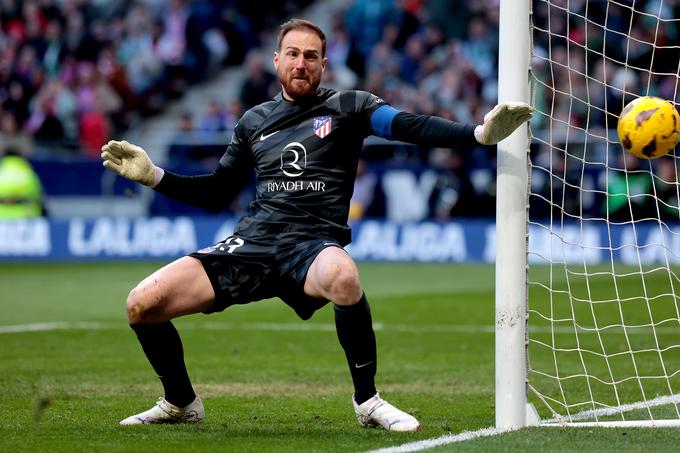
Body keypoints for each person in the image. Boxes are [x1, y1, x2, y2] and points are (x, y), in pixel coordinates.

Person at [101, 18, 532, 431]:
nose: (301, 63)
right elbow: (217, 192)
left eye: (311, 56)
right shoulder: (253, 122)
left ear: (324, 64)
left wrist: (476, 136)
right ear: (276, 60)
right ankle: (181, 402)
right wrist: (154, 175)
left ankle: (367, 401)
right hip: (253, 242)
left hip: (311, 246)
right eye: (293, 54)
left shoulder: (350, 106)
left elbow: (407, 125)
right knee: (141, 304)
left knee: (344, 275)